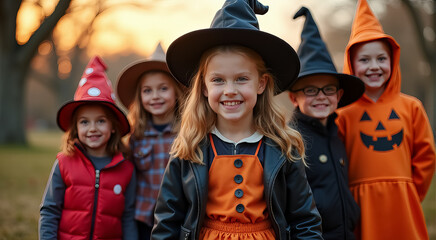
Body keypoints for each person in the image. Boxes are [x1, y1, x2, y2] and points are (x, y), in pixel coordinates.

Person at [151, 0, 323, 239]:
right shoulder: (188, 148)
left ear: (261, 83)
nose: (230, 90)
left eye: (241, 79)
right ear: (203, 87)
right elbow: (167, 221)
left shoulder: (283, 147)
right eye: (218, 80)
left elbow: (305, 220)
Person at [335, 0, 436, 239]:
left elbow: (426, 156)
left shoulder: (411, 107)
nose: (374, 67)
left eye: (381, 59)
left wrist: (408, 191)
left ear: (393, 60)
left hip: (403, 202)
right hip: (359, 205)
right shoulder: (343, 113)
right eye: (364, 60)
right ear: (351, 63)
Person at [39, 56, 137, 240]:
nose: (92, 128)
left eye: (101, 121)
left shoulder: (126, 169)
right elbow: (50, 211)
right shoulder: (64, 163)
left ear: (113, 126)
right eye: (84, 122)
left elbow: (128, 218)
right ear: (75, 128)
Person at [288, 7, 364, 240]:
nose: (321, 96)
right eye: (310, 90)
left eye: (328, 89)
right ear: (294, 98)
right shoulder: (292, 141)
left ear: (339, 96)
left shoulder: (337, 134)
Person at [116, 43, 185, 240]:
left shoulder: (186, 135)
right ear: (139, 96)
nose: (155, 96)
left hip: (178, 217)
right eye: (147, 91)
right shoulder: (135, 138)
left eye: (163, 89)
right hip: (144, 218)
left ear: (176, 93)